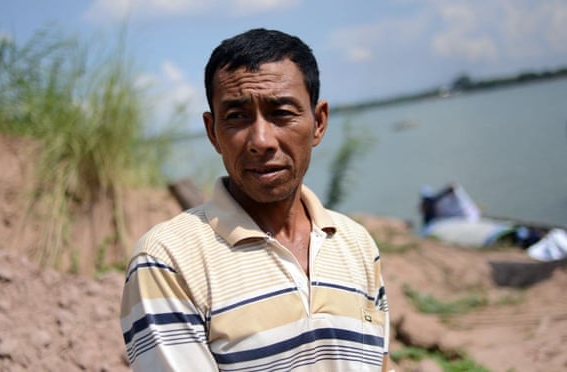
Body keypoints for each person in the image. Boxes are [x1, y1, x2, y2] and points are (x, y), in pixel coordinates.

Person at [120, 28, 390, 371]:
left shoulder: (358, 245)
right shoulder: (167, 261)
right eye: (237, 116)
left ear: (319, 122)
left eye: (281, 113)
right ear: (212, 132)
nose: (261, 140)